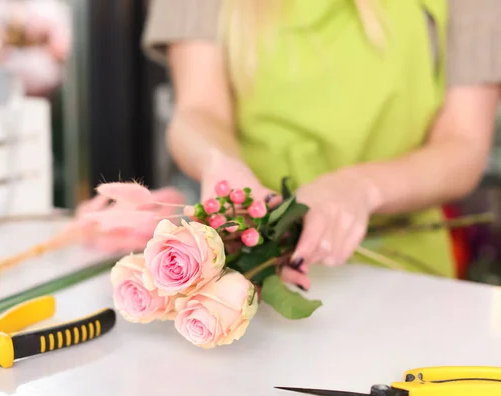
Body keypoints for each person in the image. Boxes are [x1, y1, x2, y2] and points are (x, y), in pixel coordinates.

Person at [140, 0, 501, 284]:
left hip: (406, 274)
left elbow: (464, 143)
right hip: (253, 270)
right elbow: (198, 110)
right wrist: (220, 164)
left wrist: (360, 188)